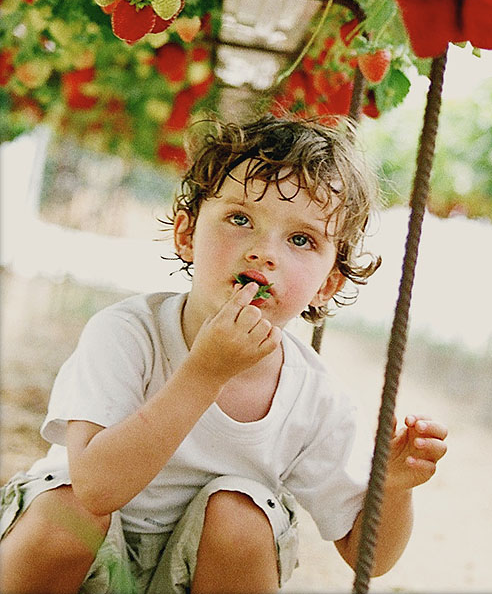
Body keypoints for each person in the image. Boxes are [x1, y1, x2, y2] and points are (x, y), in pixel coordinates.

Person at [0, 114, 447, 594]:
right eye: (240, 219)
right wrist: (203, 374)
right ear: (186, 235)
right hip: (85, 558)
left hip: (202, 574)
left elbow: (368, 558)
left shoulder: (314, 397)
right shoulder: (127, 333)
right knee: (64, 506)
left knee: (242, 515)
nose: (263, 251)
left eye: (301, 239)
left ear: (327, 284)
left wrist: (393, 488)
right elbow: (95, 488)